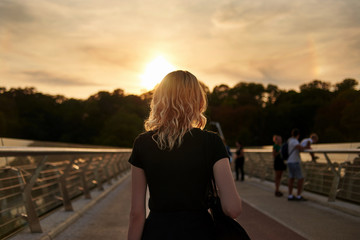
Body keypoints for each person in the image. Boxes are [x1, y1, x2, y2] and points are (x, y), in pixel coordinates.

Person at [127, 70, 242, 240]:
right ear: (199, 101)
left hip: (157, 232)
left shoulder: (143, 143)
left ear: (159, 101)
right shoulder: (211, 142)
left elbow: (136, 214)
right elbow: (233, 209)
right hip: (200, 231)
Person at [287, 128, 310, 201]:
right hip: (295, 162)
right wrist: (307, 147)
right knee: (300, 178)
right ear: (298, 135)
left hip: (290, 161)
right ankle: (298, 196)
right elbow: (299, 148)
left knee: (291, 178)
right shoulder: (294, 141)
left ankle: (290, 195)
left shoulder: (290, 140)